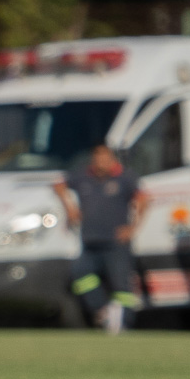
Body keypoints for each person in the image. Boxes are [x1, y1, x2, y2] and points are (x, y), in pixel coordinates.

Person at [54, 143, 148, 334]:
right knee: (79, 275)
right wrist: (70, 208)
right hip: (90, 240)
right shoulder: (83, 176)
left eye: (104, 157)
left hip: (116, 242)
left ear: (112, 159)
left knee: (122, 285)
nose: (100, 161)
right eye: (97, 157)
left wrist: (133, 227)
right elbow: (58, 185)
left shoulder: (124, 177)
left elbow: (143, 199)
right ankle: (103, 309)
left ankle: (124, 324)